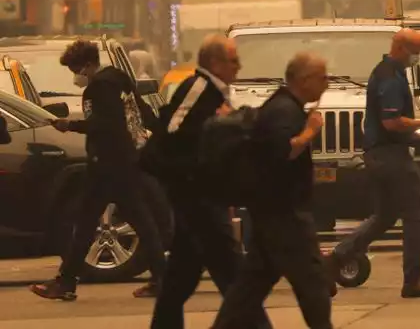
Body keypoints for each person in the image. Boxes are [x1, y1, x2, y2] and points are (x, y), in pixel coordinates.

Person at [30, 40, 168, 302]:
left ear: (88, 65)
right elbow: (140, 112)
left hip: (106, 165)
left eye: (76, 69)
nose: (75, 75)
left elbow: (104, 125)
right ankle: (161, 279)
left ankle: (65, 282)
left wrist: (70, 126)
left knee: (89, 224)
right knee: (138, 221)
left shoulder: (97, 89)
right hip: (127, 160)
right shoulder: (119, 79)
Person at [149, 35, 269, 329]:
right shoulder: (198, 87)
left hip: (203, 192)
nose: (238, 66)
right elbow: (172, 129)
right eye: (232, 60)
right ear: (214, 63)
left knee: (181, 276)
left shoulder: (218, 93)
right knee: (232, 273)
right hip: (195, 194)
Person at [212, 53, 332, 329]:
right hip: (284, 213)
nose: (326, 84)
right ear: (303, 80)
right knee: (312, 282)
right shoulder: (284, 111)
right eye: (322, 78)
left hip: (272, 211)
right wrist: (310, 132)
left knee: (251, 286)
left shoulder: (285, 106)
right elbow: (283, 152)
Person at [327, 29, 420, 298]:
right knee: (416, 214)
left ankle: (337, 257)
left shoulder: (388, 72)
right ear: (401, 48)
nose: (417, 57)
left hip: (380, 154)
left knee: (385, 216)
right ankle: (413, 279)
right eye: (415, 51)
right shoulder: (390, 78)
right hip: (390, 155)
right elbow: (391, 122)